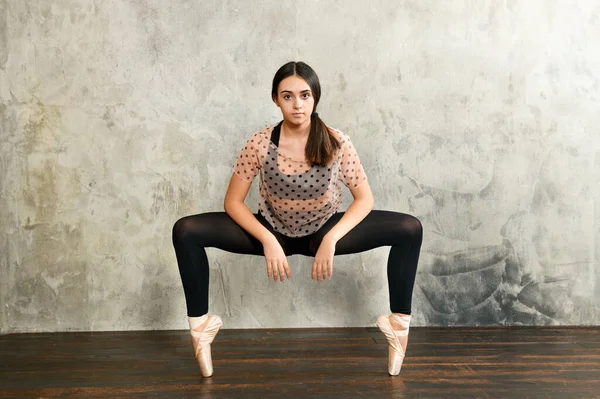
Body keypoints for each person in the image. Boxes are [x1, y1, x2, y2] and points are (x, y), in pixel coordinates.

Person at [172, 61, 423, 377]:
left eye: (304, 95)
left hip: (322, 230)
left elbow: (365, 200)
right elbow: (233, 203)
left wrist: (332, 238)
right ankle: (201, 327)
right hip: (271, 229)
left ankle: (398, 327)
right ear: (275, 99)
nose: (297, 104)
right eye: (287, 96)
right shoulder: (260, 142)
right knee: (186, 230)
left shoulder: (336, 141)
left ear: (315, 97)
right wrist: (267, 239)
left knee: (409, 228)